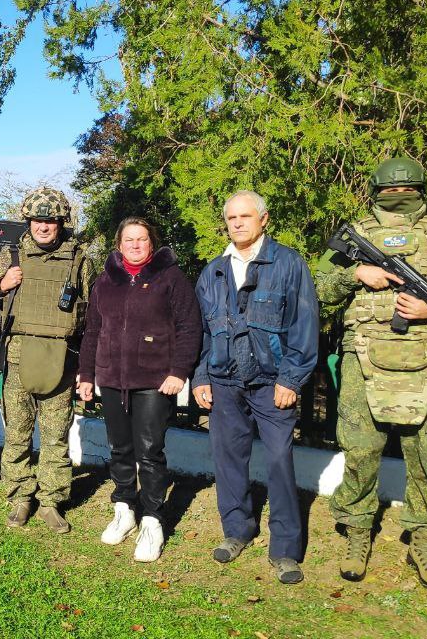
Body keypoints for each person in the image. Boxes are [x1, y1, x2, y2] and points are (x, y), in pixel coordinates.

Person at [315, 157, 427, 592]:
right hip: (363, 361)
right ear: (376, 190)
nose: (397, 196)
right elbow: (318, 287)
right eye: (391, 190)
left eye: (405, 189)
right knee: (359, 451)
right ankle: (357, 535)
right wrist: (357, 272)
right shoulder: (357, 234)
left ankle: (424, 540)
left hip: (425, 364)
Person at [191, 191, 320, 585]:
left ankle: (284, 550)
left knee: (280, 462)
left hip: (272, 384)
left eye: (245, 216)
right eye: (231, 218)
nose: (238, 223)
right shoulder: (212, 271)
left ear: (264, 219)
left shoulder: (288, 264)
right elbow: (202, 334)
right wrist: (200, 377)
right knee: (228, 461)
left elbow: (305, 325)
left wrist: (291, 378)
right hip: (224, 383)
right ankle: (237, 530)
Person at [77, 217, 203, 562]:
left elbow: (189, 327)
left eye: (142, 239)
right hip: (112, 379)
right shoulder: (105, 282)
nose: (135, 245)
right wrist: (87, 374)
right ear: (119, 245)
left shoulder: (170, 278)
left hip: (154, 380)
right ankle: (124, 508)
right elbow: (92, 331)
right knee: (120, 449)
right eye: (129, 240)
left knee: (149, 452)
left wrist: (179, 371)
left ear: (152, 243)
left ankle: (152, 518)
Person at [0, 188, 95, 533]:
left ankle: (52, 501)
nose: (43, 227)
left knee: (56, 436)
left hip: (60, 358)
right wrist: (2, 283)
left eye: (50, 221)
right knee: (17, 434)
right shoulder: (11, 256)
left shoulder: (79, 259)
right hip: (17, 360)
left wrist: (84, 366)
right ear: (28, 220)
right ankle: (20, 497)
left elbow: (92, 312)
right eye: (37, 220)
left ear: (61, 222)